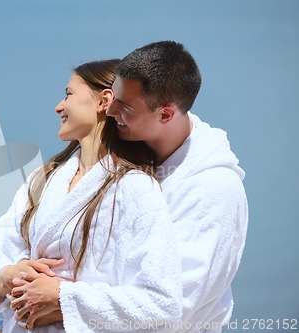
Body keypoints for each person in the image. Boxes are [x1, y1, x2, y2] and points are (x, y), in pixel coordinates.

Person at [14, 42, 249, 332]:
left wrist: (62, 298)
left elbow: (174, 306)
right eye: (113, 97)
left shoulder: (212, 190)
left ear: (165, 115)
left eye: (123, 105)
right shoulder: (124, 161)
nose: (109, 110)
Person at [0, 59, 182, 333]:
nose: (58, 107)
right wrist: (7, 276)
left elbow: (161, 305)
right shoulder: (42, 179)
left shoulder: (136, 189)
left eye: (69, 94)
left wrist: (63, 298)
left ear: (103, 101)